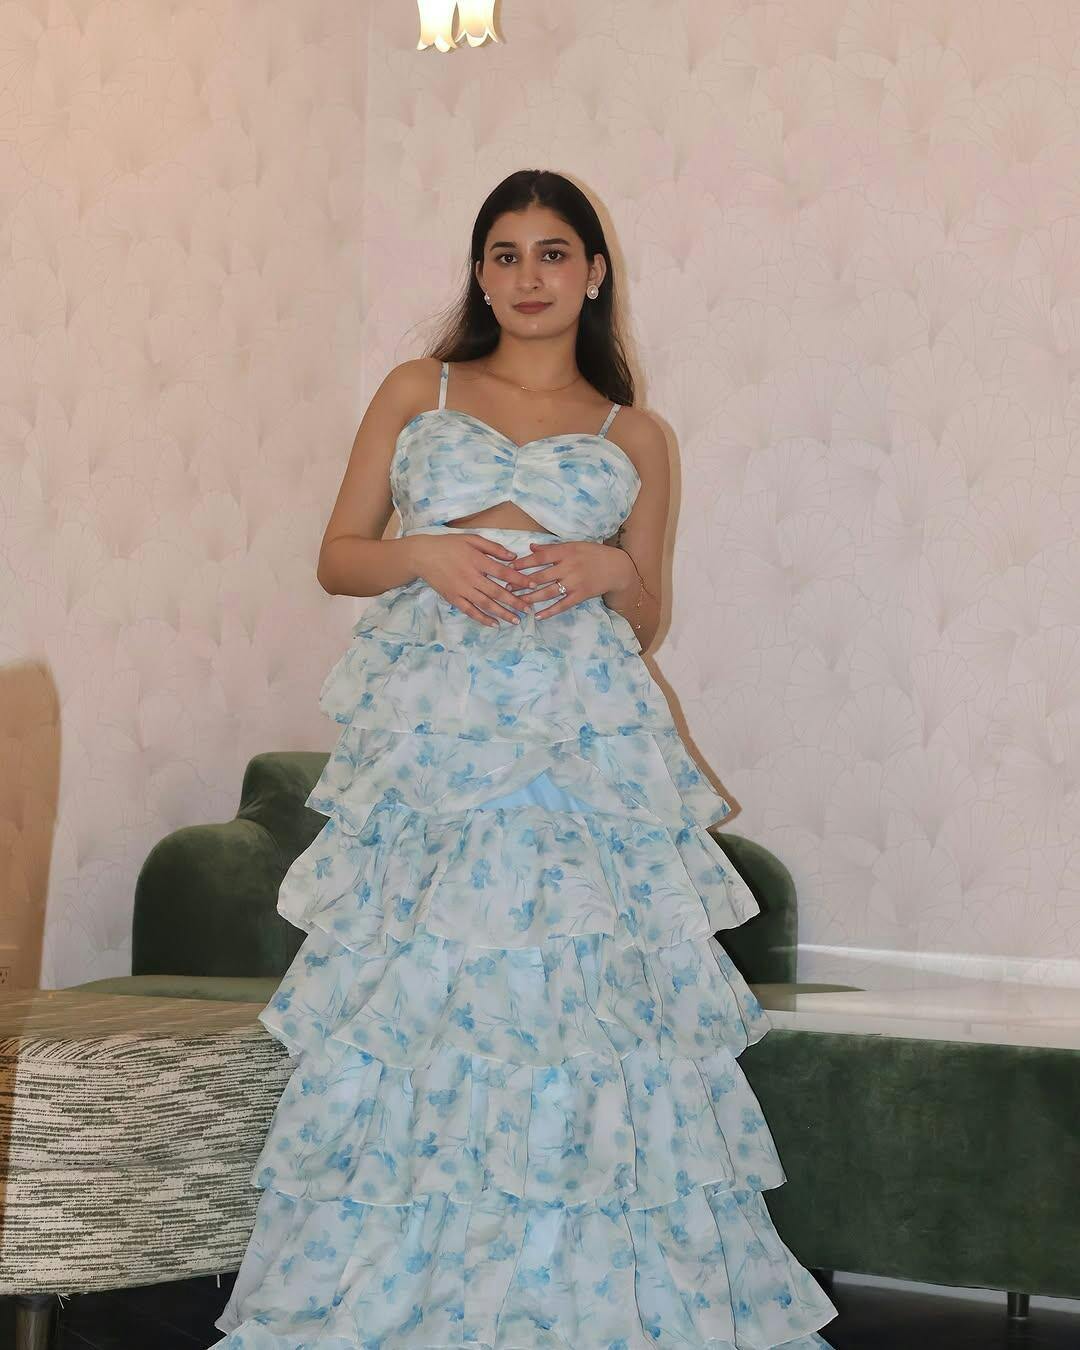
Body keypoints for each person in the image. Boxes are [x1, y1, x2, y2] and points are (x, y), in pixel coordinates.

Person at [212, 169, 838, 1349]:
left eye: (553, 253)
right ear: (480, 274)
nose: (528, 276)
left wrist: (613, 570)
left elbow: (645, 618)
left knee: (584, 1018)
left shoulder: (633, 432)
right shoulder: (421, 388)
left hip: (578, 753)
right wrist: (426, 555)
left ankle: (579, 1299)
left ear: (594, 273)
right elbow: (338, 557)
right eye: (504, 254)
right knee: (426, 1007)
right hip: (434, 746)